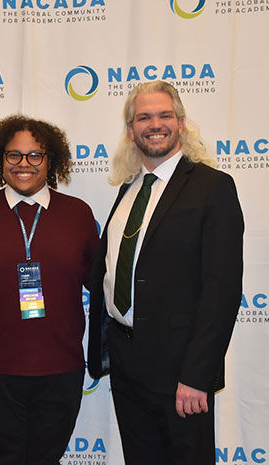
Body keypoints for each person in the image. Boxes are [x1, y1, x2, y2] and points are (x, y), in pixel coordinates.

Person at [88, 81, 244, 465]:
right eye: (144, 117)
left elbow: (221, 291)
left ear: (181, 123)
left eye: (164, 115)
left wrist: (197, 375)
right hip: (126, 363)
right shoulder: (128, 189)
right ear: (130, 129)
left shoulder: (213, 187)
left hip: (180, 371)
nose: (154, 124)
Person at [0, 115, 99, 465]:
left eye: (35, 155)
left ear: (51, 161)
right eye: (13, 155)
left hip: (60, 371)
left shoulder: (78, 214)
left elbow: (102, 285)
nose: (24, 164)